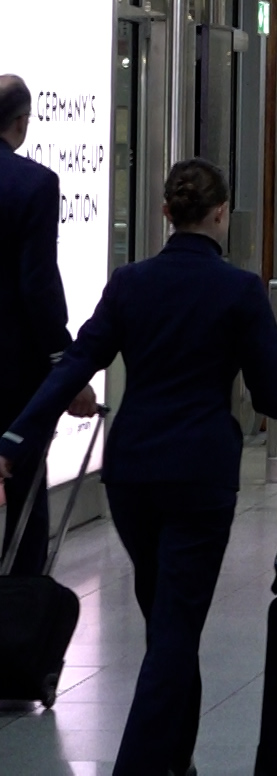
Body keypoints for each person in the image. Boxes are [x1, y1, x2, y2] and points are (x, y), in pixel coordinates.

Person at [0, 159, 277, 776]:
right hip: (200, 476)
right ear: (222, 213)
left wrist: (15, 437)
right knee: (175, 631)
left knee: (167, 624)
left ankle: (176, 760)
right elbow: (274, 398)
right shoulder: (239, 289)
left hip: (133, 475)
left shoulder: (130, 282)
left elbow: (74, 365)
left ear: (165, 213)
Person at [0, 75, 94, 577]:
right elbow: (37, 284)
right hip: (13, 368)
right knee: (24, 485)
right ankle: (19, 607)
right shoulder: (33, 184)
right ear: (20, 123)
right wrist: (64, 364)